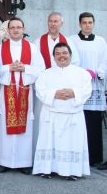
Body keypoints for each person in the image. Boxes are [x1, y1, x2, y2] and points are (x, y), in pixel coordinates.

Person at [33, 43, 92, 180]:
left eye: (64, 53)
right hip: (51, 114)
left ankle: (72, 171)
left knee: (72, 142)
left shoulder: (82, 73)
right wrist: (54, 94)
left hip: (73, 116)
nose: (62, 56)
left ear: (70, 55)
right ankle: (47, 169)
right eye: (58, 54)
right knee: (49, 142)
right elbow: (40, 91)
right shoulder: (45, 74)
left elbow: (87, 90)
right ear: (53, 57)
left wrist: (73, 93)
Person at [0, 17, 44, 174]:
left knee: (25, 127)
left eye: (18, 27)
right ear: (8, 30)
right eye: (12, 27)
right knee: (3, 127)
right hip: (6, 92)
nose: (15, 30)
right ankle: (3, 161)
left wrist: (25, 68)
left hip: (25, 93)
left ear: (23, 29)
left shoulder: (33, 48)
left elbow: (41, 70)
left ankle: (24, 161)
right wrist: (8, 67)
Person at [32, 12, 80, 152]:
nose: (53, 24)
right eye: (50, 21)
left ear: (61, 24)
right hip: (47, 89)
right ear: (47, 23)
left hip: (64, 88)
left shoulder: (69, 42)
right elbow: (35, 65)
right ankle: (41, 153)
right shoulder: (38, 42)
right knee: (43, 122)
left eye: (56, 21)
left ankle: (61, 152)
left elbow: (75, 63)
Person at [68, 12, 107, 168]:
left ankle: (95, 157)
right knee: (78, 121)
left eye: (90, 22)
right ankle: (78, 155)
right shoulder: (72, 40)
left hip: (95, 84)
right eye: (84, 22)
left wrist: (97, 72)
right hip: (78, 84)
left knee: (94, 121)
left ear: (93, 24)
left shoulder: (100, 41)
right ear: (79, 24)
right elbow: (70, 59)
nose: (87, 25)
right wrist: (82, 74)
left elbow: (105, 61)